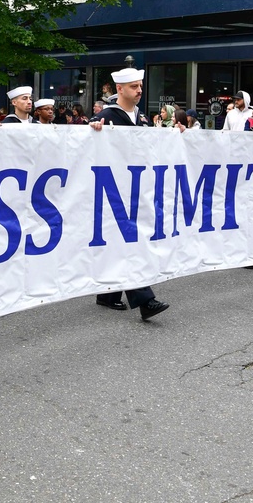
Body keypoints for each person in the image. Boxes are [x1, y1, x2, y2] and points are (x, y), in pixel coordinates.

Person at [88, 67, 172, 320]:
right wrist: (91, 131)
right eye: (134, 87)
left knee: (124, 242)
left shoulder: (143, 117)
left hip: (138, 189)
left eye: (140, 86)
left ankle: (108, 294)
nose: (139, 91)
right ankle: (145, 300)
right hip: (114, 191)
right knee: (129, 242)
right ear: (119, 89)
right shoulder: (106, 116)